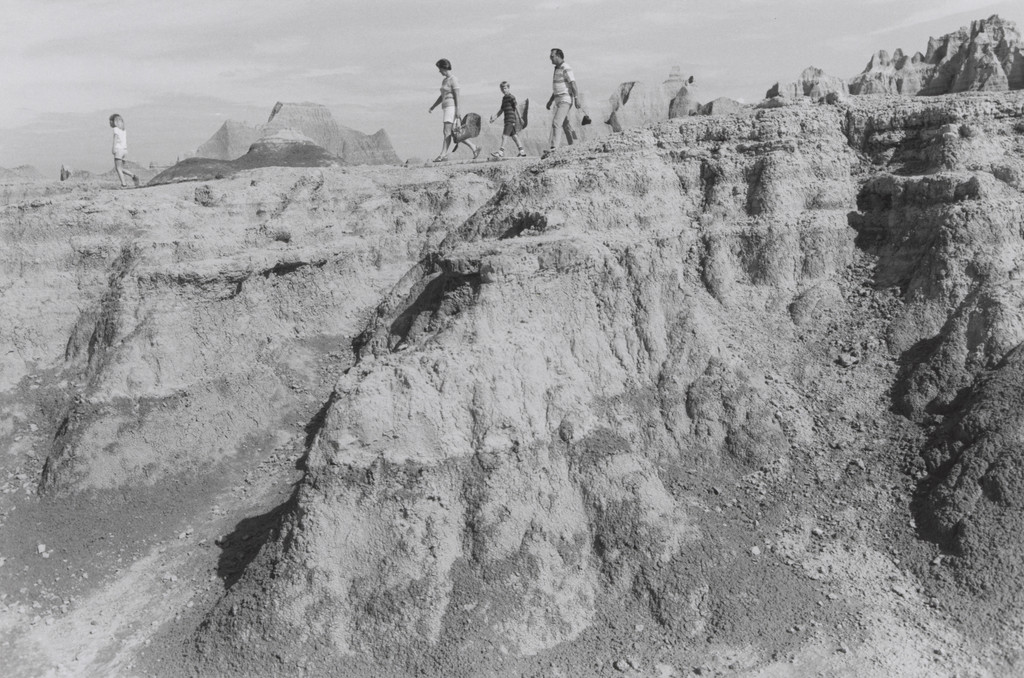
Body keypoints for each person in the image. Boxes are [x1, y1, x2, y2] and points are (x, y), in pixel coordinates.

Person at [428, 59, 481, 162]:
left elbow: (457, 96)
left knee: (446, 131)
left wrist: (458, 110)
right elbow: (442, 96)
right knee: (455, 133)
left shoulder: (453, 79)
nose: (439, 71)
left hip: (451, 108)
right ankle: (474, 148)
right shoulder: (444, 80)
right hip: (446, 107)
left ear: (444, 68)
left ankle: (442, 155)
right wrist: (433, 106)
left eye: (440, 69)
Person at [544, 48, 580, 159]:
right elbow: (557, 87)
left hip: (565, 99)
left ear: (558, 56)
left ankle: (554, 148)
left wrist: (577, 98)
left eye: (552, 56)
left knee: (556, 122)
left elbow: (573, 84)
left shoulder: (566, 68)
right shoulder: (556, 69)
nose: (550, 58)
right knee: (565, 124)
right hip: (558, 99)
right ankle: (574, 144)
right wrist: (550, 101)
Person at [488, 81, 526, 158]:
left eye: (505, 88)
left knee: (504, 136)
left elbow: (516, 107)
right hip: (507, 120)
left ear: (508, 88)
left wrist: (520, 118)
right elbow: (501, 110)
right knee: (514, 136)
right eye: (502, 88)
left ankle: (500, 152)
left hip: (510, 119)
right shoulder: (504, 98)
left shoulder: (511, 97)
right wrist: (494, 118)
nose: (503, 90)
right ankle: (522, 151)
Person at [109, 114, 140, 188]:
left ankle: (124, 184)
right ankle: (133, 176)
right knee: (121, 168)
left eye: (110, 121)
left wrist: (113, 148)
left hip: (118, 150)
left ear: (114, 121)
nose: (110, 123)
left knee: (118, 168)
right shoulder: (123, 130)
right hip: (125, 150)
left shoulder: (115, 129)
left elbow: (115, 139)